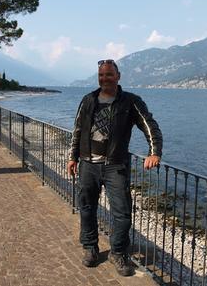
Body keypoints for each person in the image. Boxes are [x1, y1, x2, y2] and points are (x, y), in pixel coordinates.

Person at [67, 59, 162, 276]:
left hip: (115, 166)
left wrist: (154, 152)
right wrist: (72, 157)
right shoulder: (88, 99)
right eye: (101, 75)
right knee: (87, 208)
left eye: (109, 75)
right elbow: (77, 130)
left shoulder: (130, 101)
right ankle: (90, 248)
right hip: (87, 165)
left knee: (122, 214)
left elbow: (150, 126)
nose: (104, 79)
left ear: (118, 76)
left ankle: (118, 252)